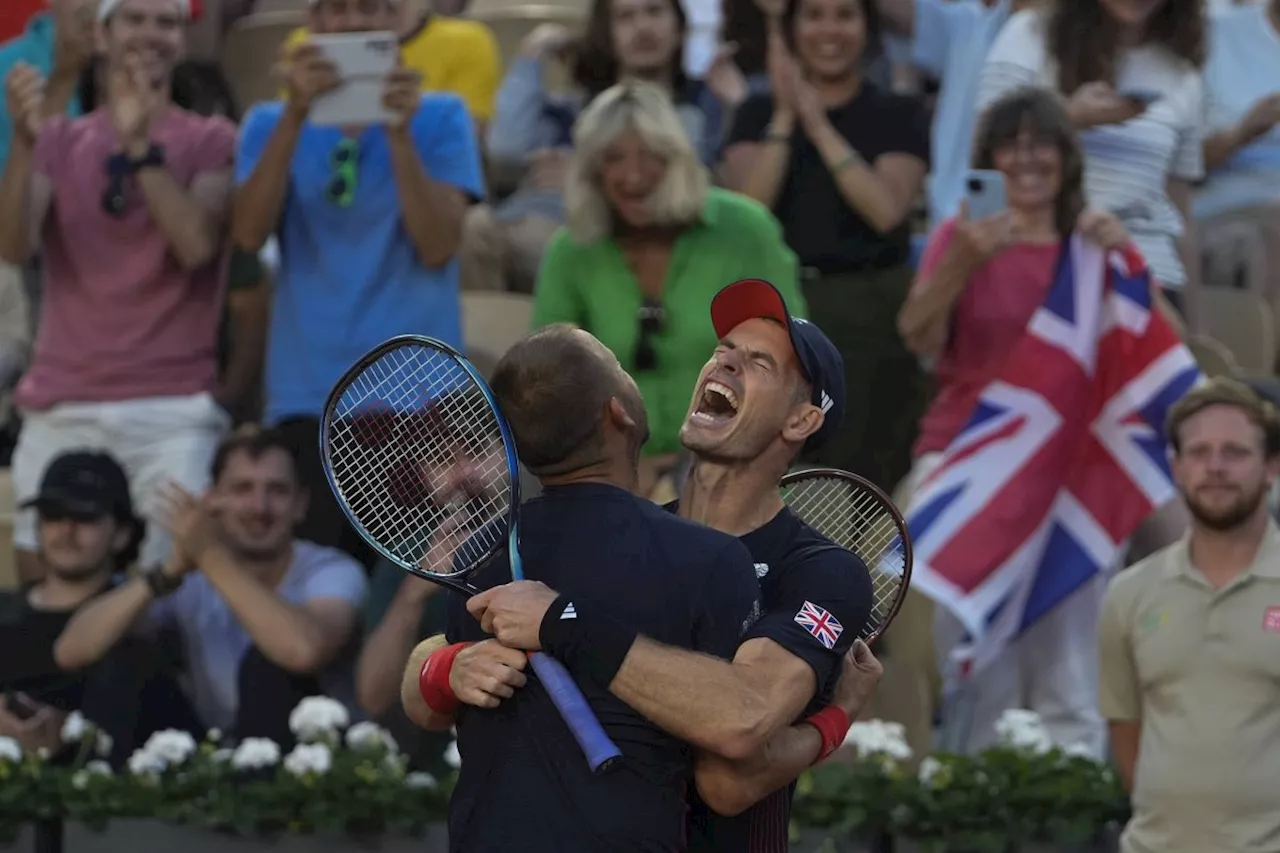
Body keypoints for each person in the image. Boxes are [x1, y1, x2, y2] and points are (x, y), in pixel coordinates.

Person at [464, 279, 880, 851]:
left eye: (758, 362)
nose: (726, 363)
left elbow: (729, 779)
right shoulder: (620, 533)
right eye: (722, 350)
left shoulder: (823, 572)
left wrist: (833, 722)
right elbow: (447, 657)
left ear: (802, 421)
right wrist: (441, 669)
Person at [400, 323, 761, 852]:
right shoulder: (713, 559)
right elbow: (733, 756)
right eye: (619, 366)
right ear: (618, 411)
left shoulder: (479, 554)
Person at [230, 0, 484, 566]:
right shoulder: (269, 123)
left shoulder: (440, 115)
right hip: (309, 399)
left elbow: (439, 243)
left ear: (396, 24)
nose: (349, 24)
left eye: (368, 9)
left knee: (421, 597)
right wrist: (295, 116)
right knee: (319, 588)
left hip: (425, 399)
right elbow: (246, 236)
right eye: (333, 11)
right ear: (311, 26)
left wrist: (397, 134)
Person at [532, 83, 803, 497]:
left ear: (678, 161)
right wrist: (613, 467)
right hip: (605, 474)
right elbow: (548, 384)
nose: (633, 175)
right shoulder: (571, 252)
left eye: (650, 156)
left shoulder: (746, 231)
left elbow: (790, 364)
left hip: (733, 461)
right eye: (614, 159)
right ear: (592, 172)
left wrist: (707, 454)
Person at [721, 0, 930, 495]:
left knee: (866, 472)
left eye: (845, 14)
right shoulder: (755, 114)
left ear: (866, 26)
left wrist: (817, 124)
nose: (829, 29)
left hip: (872, 308)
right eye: (814, 15)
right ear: (794, 29)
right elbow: (749, 210)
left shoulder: (897, 112)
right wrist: (786, 118)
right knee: (777, 465)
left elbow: (885, 210)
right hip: (778, 310)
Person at [53, 427, 369, 745]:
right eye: (242, 489)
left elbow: (303, 651)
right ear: (212, 500)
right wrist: (168, 570)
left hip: (313, 762)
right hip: (211, 751)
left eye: (277, 490)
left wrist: (207, 553)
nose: (259, 507)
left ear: (300, 505)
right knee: (123, 662)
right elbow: (71, 651)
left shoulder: (333, 570)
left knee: (268, 666)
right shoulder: (189, 577)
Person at [1098, 377, 1280, 853]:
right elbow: (1126, 734)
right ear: (1176, 468)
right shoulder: (1129, 594)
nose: (1215, 467)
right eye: (1199, 452)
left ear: (1271, 468)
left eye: (1235, 452)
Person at [977, 0, 1206, 310]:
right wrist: (1068, 119)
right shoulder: (1029, 36)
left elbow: (1180, 210)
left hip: (1147, 274)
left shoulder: (1182, 73)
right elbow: (983, 159)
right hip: (1039, 264)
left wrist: (1195, 328)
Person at [0, 450, 197, 765]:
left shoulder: (136, 615)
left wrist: (65, 730)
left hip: (110, 791)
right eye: (53, 515)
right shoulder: (6, 609)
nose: (66, 531)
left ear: (121, 534)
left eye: (84, 517)